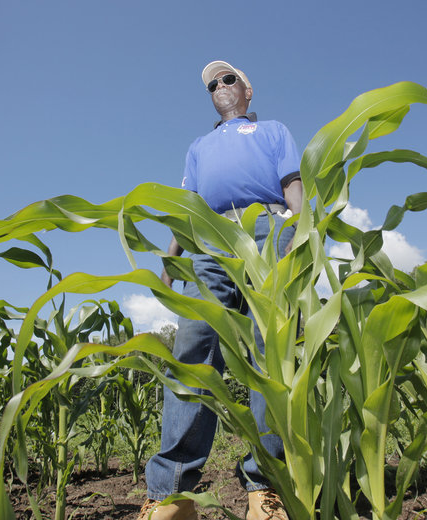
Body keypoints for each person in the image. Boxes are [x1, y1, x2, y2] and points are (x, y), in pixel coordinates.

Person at [137, 61, 303, 520]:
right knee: (192, 352)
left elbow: (293, 183)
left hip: (268, 230)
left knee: (271, 353)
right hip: (208, 239)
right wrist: (171, 257)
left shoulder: (272, 131)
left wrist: (301, 236)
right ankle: (172, 496)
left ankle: (267, 490)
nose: (219, 86)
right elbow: (187, 204)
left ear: (247, 90)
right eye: (212, 84)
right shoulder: (198, 146)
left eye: (228, 79)